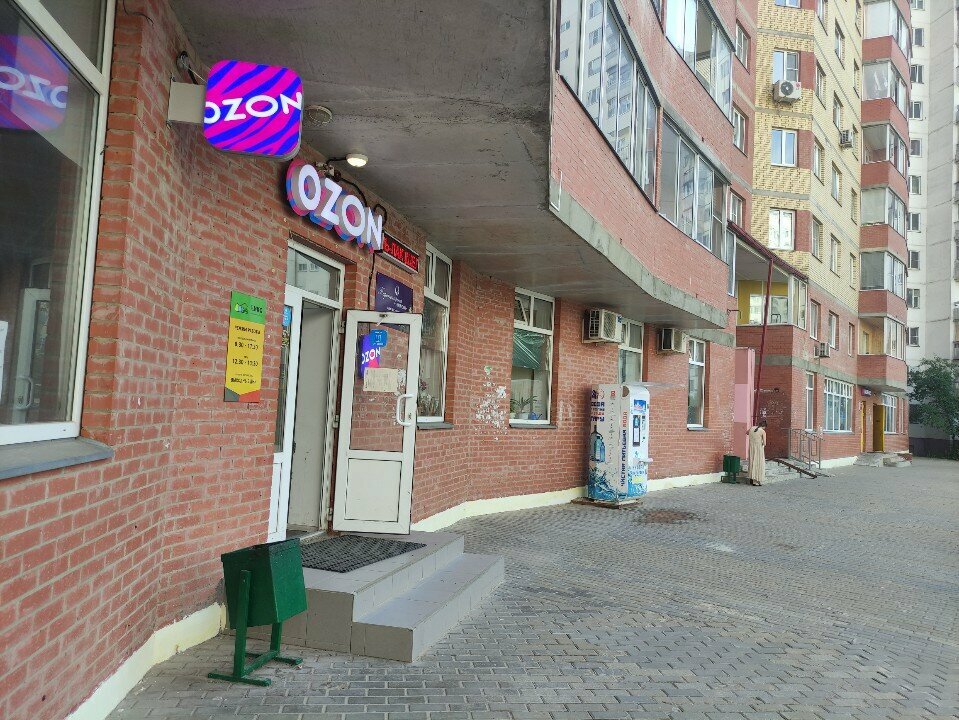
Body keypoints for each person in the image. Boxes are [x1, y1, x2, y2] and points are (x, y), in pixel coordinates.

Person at [747, 420, 767, 486]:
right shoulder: (762, 431)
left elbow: (747, 433)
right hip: (759, 449)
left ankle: (753, 480)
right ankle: (758, 480)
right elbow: (765, 443)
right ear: (764, 426)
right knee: (759, 463)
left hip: (751, 448)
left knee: (752, 462)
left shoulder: (752, 428)